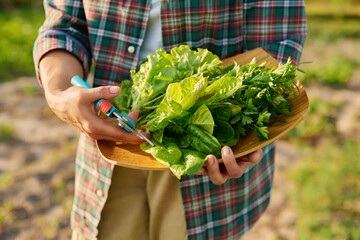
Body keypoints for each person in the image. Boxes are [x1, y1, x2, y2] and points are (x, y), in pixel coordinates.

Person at [33, 0, 307, 239]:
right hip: (110, 142)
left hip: (209, 149)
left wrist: (245, 138)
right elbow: (65, 25)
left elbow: (278, 40)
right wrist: (58, 90)